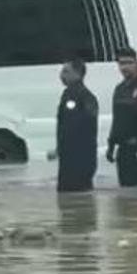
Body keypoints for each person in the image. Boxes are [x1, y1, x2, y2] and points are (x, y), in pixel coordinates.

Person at [106, 47, 137, 187]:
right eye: (121, 63)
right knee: (125, 196)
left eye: (129, 62)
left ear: (136, 64)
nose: (125, 67)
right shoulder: (119, 89)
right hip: (123, 151)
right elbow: (117, 119)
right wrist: (111, 146)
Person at [52, 58, 99, 193]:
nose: (62, 75)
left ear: (78, 73)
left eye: (66, 71)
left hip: (78, 160)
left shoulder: (81, 96)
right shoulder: (70, 94)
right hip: (72, 159)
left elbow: (76, 126)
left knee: (76, 195)